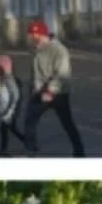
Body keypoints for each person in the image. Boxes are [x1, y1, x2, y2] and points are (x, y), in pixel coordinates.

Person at [20, 18, 86, 156]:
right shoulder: (36, 49)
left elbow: (62, 73)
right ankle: (30, 148)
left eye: (33, 34)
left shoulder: (59, 50)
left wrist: (51, 90)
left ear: (40, 34)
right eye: (30, 34)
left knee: (67, 122)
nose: (31, 37)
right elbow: (35, 73)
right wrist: (32, 89)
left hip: (58, 93)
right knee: (30, 119)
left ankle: (79, 151)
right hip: (39, 91)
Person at [0, 53, 22, 155]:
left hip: (11, 110)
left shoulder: (9, 79)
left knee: (4, 129)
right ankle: (28, 142)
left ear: (3, 67)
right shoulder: (2, 78)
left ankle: (4, 150)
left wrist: (10, 111)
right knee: (12, 129)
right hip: (7, 110)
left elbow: (15, 96)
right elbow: (1, 92)